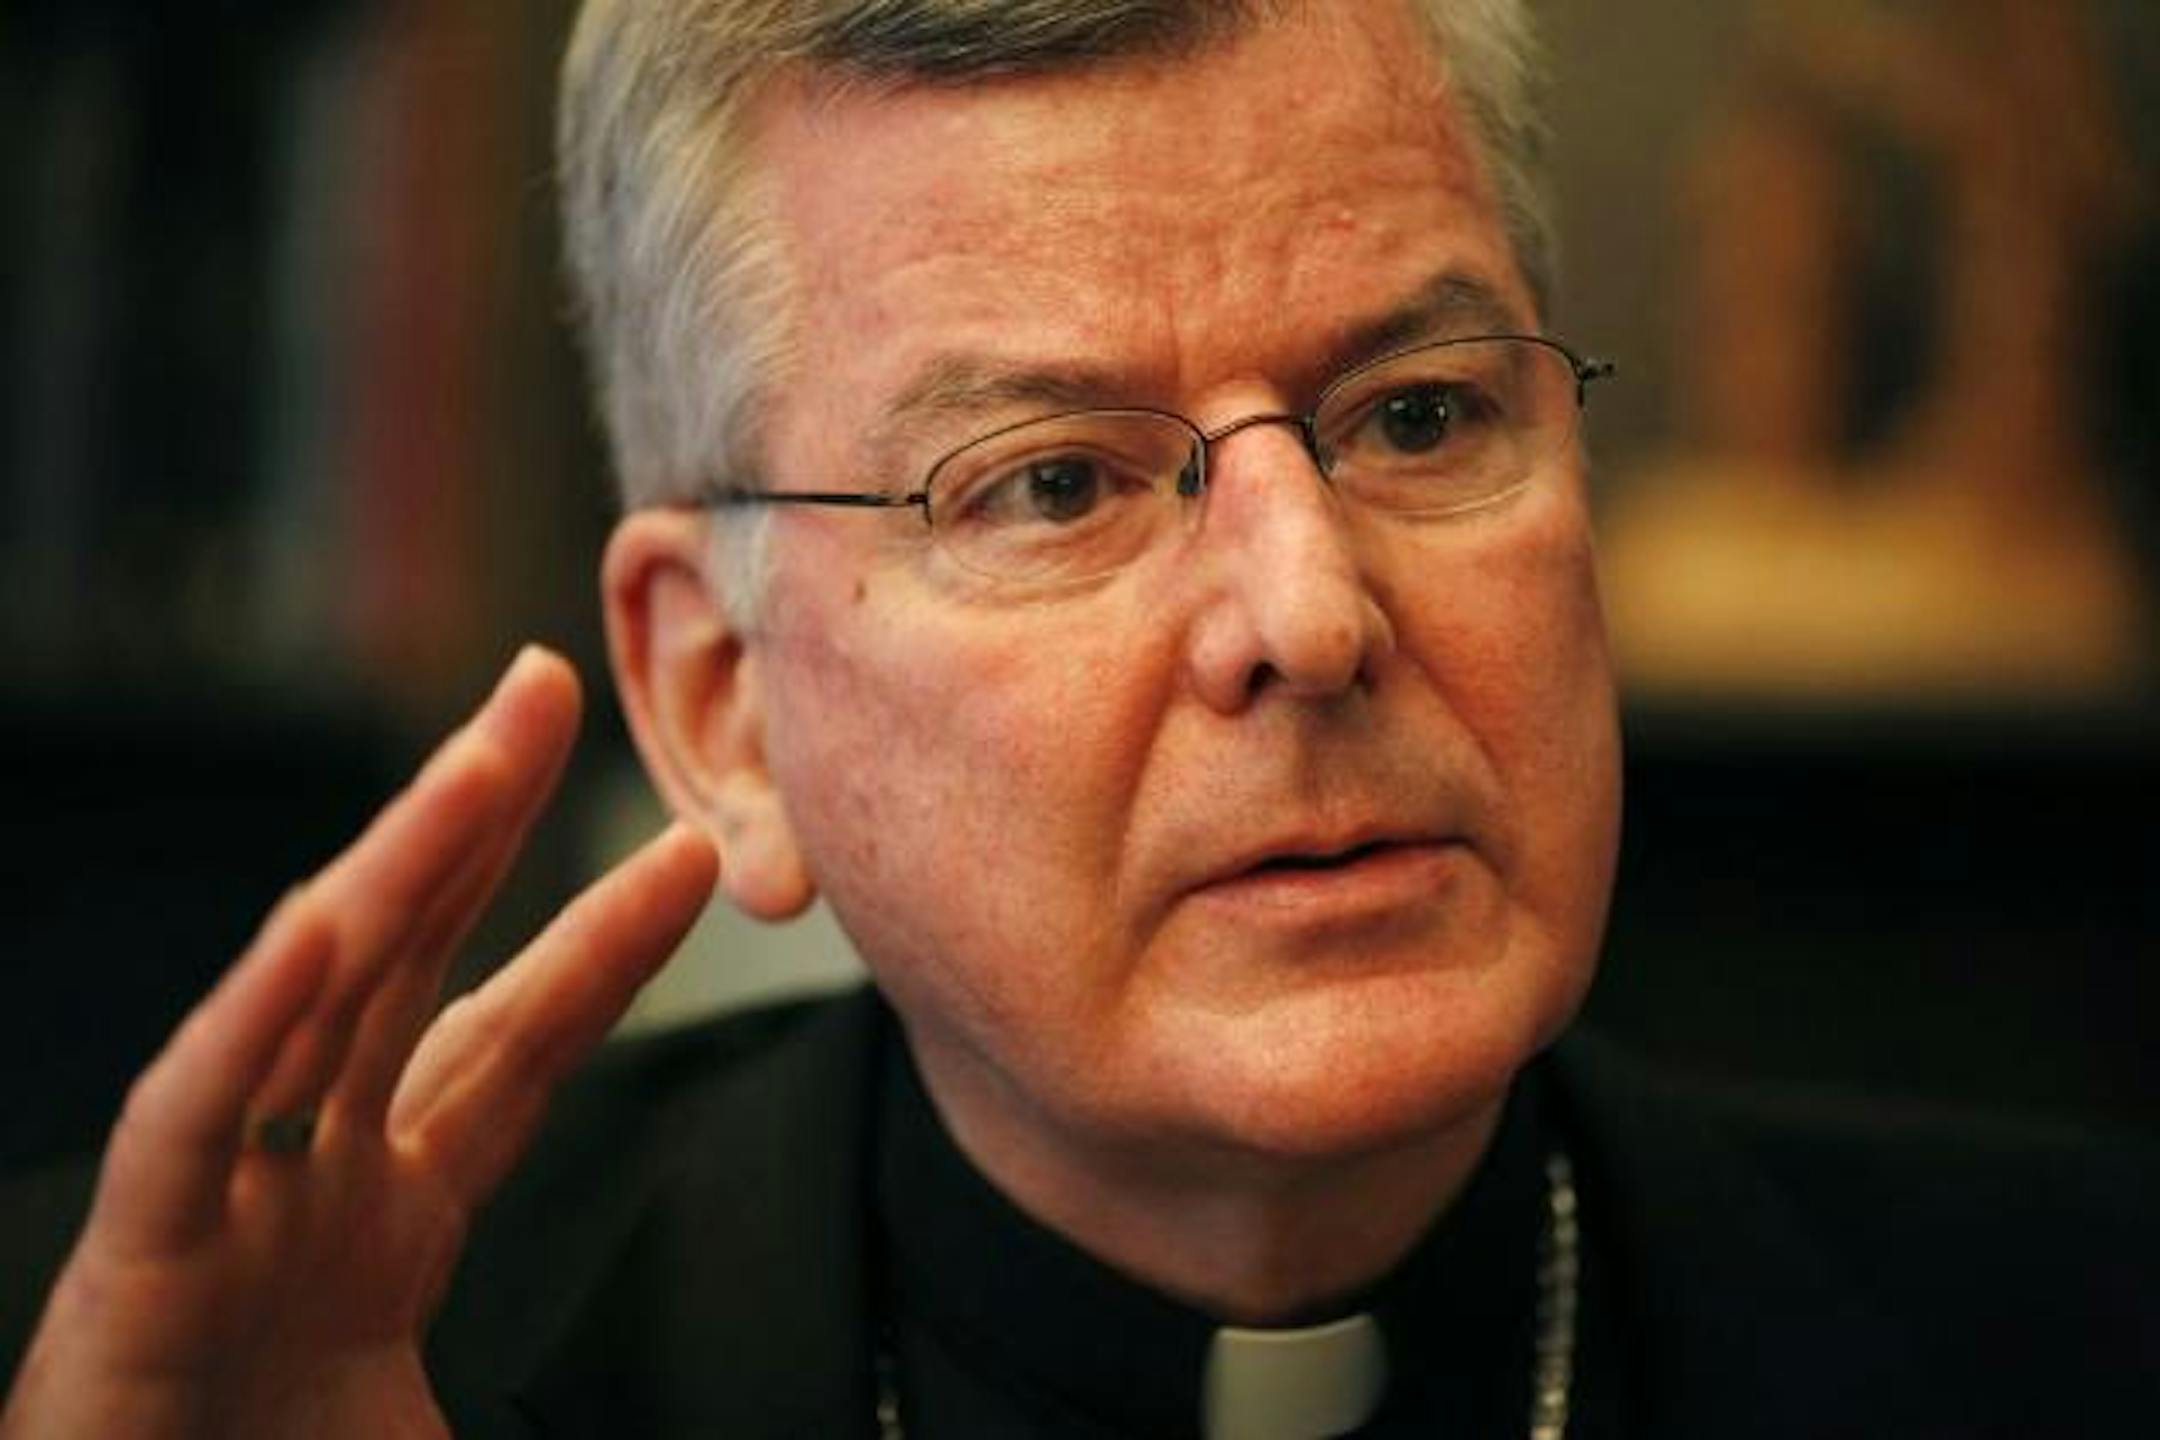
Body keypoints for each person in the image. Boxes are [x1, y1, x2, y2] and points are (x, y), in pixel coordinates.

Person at [1, 1, 2152, 1436]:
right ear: (722, 700)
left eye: (1418, 414)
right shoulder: (179, 1366)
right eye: (1048, 484)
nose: (1308, 617)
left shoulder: (2085, 1331)